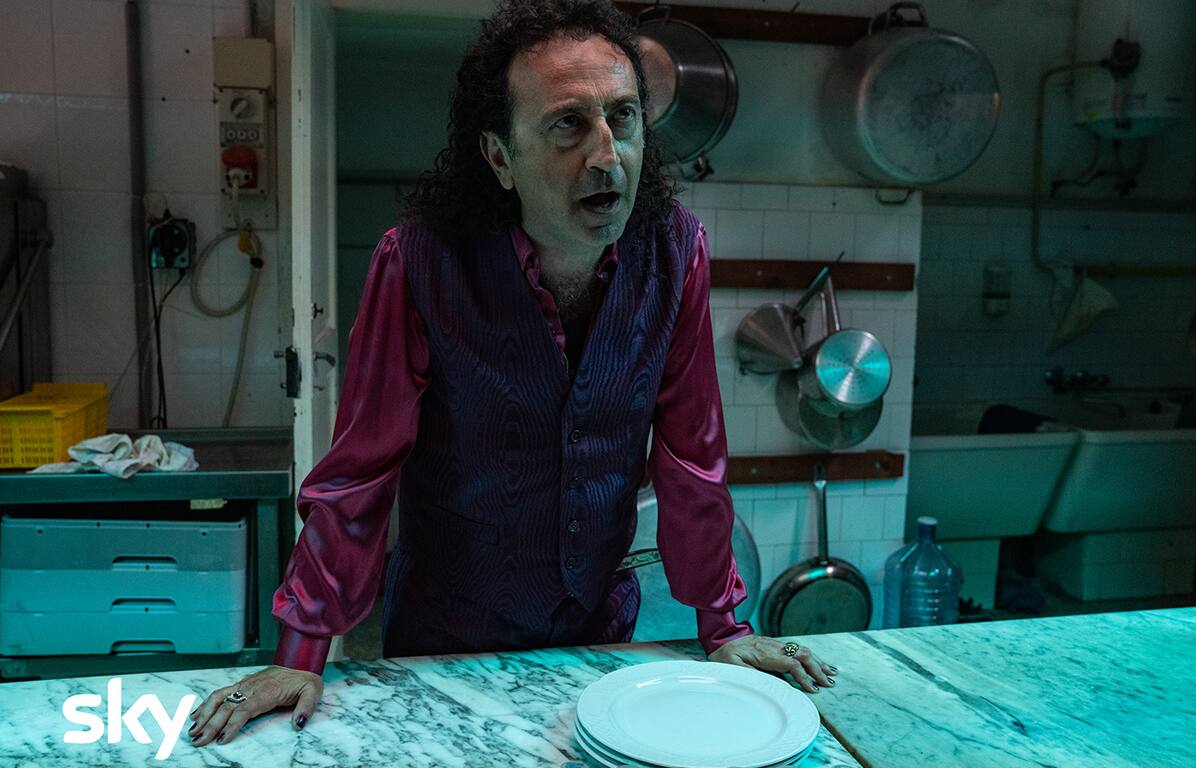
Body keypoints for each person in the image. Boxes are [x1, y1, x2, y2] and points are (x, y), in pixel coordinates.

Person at [188, 0, 838, 747]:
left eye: (623, 118)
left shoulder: (676, 252)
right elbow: (361, 470)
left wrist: (724, 626)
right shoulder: (420, 263)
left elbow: (692, 452)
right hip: (445, 638)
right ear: (500, 158)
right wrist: (302, 651)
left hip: (598, 629)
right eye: (568, 124)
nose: (607, 155)